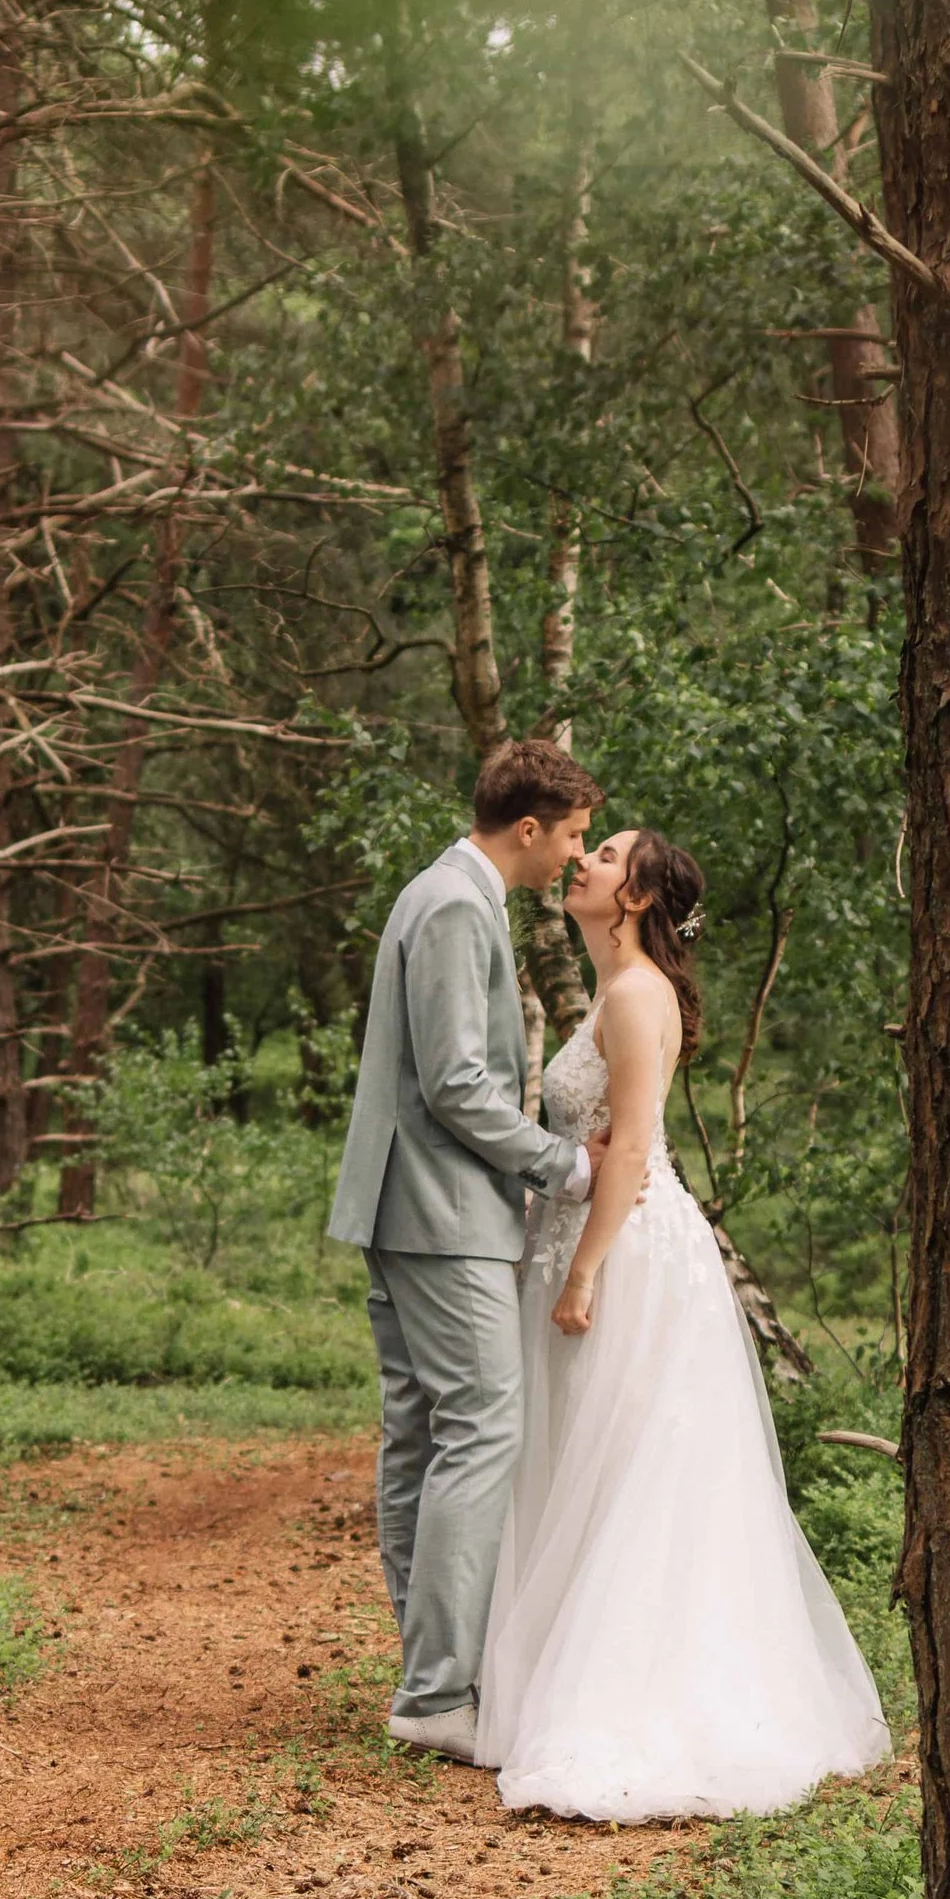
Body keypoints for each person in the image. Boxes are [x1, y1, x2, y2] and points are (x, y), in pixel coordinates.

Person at [476, 828, 890, 1820]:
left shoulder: (631, 995)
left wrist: (582, 1271)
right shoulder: (616, 992)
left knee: (624, 1467)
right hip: (595, 1239)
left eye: (607, 854)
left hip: (627, 1257)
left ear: (637, 895)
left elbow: (630, 1154)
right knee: (586, 1458)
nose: (584, 860)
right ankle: (545, 1674)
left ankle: (629, 1696)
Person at [328, 737, 610, 1760]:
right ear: (526, 826)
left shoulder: (442, 894)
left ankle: (429, 1680)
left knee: (422, 1431)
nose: (573, 858)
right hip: (442, 1213)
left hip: (410, 1207)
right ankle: (442, 1690)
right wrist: (560, 1165)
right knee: (482, 1426)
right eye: (571, 836)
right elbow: (453, 1083)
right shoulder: (455, 903)